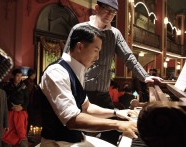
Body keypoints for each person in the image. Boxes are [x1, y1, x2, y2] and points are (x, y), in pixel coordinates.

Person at [63, 0, 163, 144]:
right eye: (107, 10)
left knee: (113, 134)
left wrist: (145, 76)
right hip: (80, 92)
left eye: (114, 12)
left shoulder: (114, 34)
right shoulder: (79, 29)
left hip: (103, 94)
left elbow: (128, 56)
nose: (110, 15)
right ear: (97, 8)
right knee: (77, 134)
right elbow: (66, 58)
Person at [39, 25, 138, 147]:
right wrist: (117, 124)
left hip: (75, 139)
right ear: (80, 46)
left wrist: (117, 113)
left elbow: (87, 108)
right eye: (96, 50)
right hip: (57, 143)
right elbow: (72, 120)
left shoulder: (77, 70)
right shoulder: (56, 72)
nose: (97, 57)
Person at [3, 68, 29, 147]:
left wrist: (22, 107)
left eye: (21, 76)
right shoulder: (7, 86)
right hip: (10, 111)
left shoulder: (24, 87)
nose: (19, 78)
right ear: (13, 76)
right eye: (17, 76)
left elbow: (27, 99)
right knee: (9, 132)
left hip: (21, 112)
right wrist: (12, 107)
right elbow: (4, 99)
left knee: (21, 132)